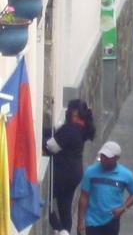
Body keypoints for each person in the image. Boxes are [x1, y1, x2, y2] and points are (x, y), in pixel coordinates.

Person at [46, 99, 96, 234]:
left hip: (63, 172)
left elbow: (51, 146)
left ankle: (58, 229)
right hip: (75, 173)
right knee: (65, 206)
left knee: (46, 200)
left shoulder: (70, 129)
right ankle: (66, 230)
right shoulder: (82, 128)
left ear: (74, 112)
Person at [77, 141, 133, 235]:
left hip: (112, 220)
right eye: (102, 156)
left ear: (116, 158)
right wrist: (80, 222)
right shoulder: (90, 172)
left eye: (107, 158)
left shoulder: (126, 175)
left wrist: (123, 208)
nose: (103, 159)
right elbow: (83, 197)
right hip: (92, 220)